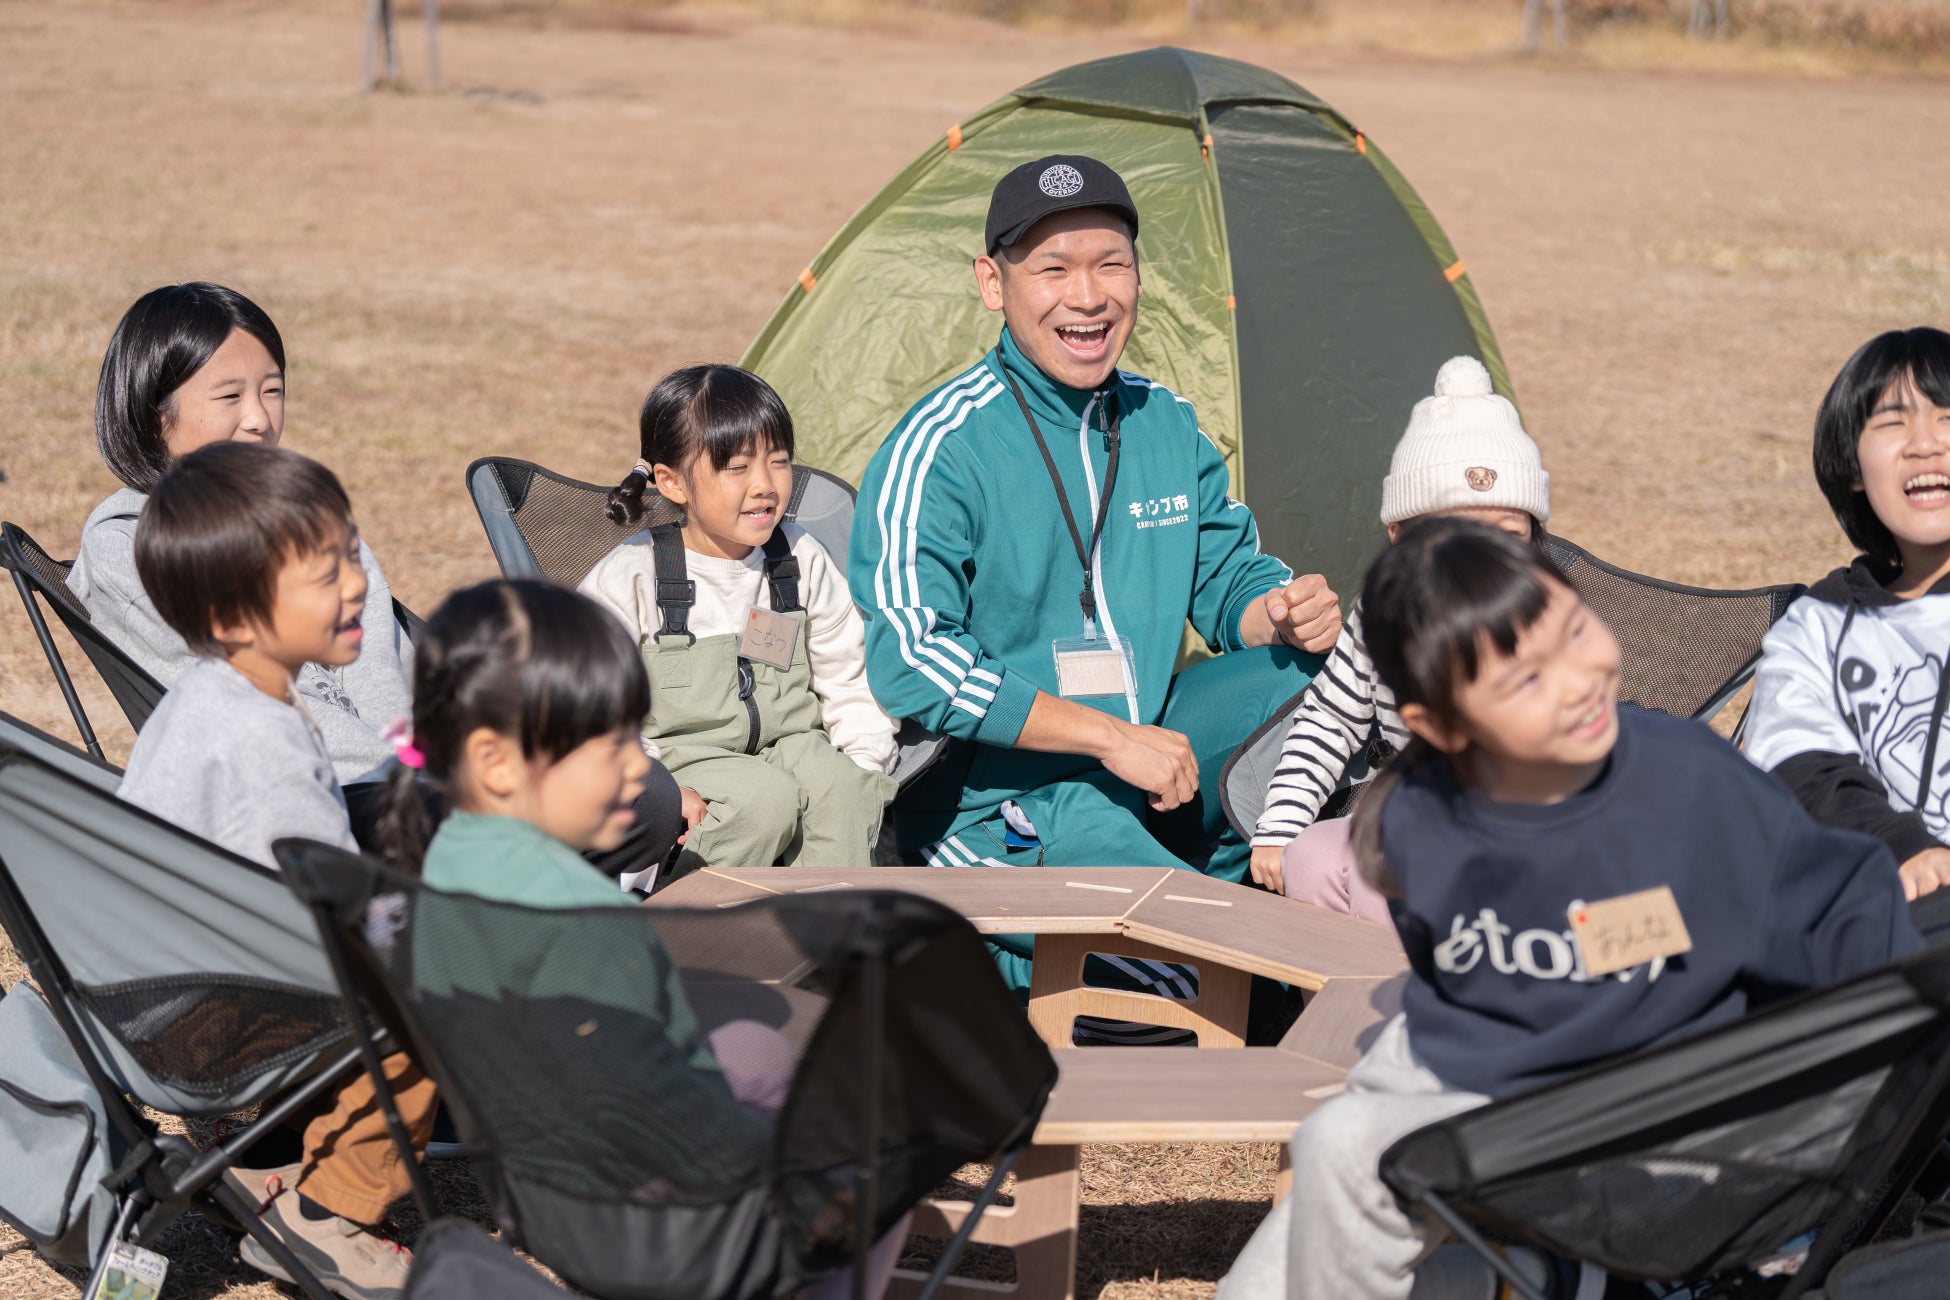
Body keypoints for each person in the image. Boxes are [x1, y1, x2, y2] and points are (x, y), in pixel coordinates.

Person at [1215, 518, 1920, 1300]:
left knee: (1347, 1147)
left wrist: (1833, 1141)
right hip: (1519, 1089)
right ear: (1439, 726)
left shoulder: (1689, 785)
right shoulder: (1416, 823)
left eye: (1575, 633)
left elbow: (1849, 911)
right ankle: (1562, 1277)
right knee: (1355, 1134)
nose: (1578, 682)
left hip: (1673, 1118)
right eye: (1524, 680)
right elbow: (1546, 956)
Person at [849, 154, 1339, 995]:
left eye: (1111, 263)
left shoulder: (1163, 422)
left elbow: (1224, 581)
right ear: (993, 284)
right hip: (1002, 798)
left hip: (1152, 755)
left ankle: (1244, 891)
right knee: (1202, 971)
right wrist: (1108, 737)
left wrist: (1281, 611)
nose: (1088, 295)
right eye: (1054, 269)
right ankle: (1031, 946)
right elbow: (912, 661)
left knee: (1324, 680)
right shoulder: (941, 447)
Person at [381, 578, 909, 1300]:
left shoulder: (452, 859)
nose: (643, 767)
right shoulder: (570, 912)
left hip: (539, 1185)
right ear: (498, 762)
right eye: (612, 746)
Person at [114, 442, 422, 1300]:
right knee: (439, 985)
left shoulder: (200, 700)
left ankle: (261, 1169)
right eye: (324, 574)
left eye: (352, 554)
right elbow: (320, 928)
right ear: (235, 615)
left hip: (148, 995)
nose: (357, 584)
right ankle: (331, 1212)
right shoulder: (268, 741)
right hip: (210, 1020)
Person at [70, 282, 413, 786]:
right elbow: (245, 709)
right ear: (155, 416)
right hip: (294, 795)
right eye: (229, 396)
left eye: (272, 391)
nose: (258, 419)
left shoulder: (313, 524)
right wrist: (410, 786)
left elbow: (384, 679)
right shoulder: (131, 549)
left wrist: (424, 775)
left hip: (398, 791)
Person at [1248, 355, 1547, 921]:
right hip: (1412, 807)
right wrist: (1282, 824)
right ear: (1398, 537)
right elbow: (1330, 720)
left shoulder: (1537, 623)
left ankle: (1396, 1001)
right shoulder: (1379, 616)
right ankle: (1327, 996)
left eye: (1508, 535)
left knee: (1379, 871)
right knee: (1308, 857)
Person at [581, 365, 898, 870]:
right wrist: (655, 790)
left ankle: (829, 940)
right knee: (762, 801)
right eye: (737, 467)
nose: (765, 485)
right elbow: (589, 708)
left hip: (795, 745)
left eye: (778, 462)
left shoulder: (799, 558)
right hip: (678, 761)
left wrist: (862, 764)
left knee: (847, 792)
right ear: (671, 482)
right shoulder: (633, 576)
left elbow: (849, 676)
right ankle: (690, 932)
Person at [1745, 326, 1950, 905]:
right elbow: (1800, 765)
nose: (1925, 444)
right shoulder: (1817, 630)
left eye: (1947, 418)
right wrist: (1899, 844)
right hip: (1900, 925)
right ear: (1852, 469)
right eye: (1892, 422)